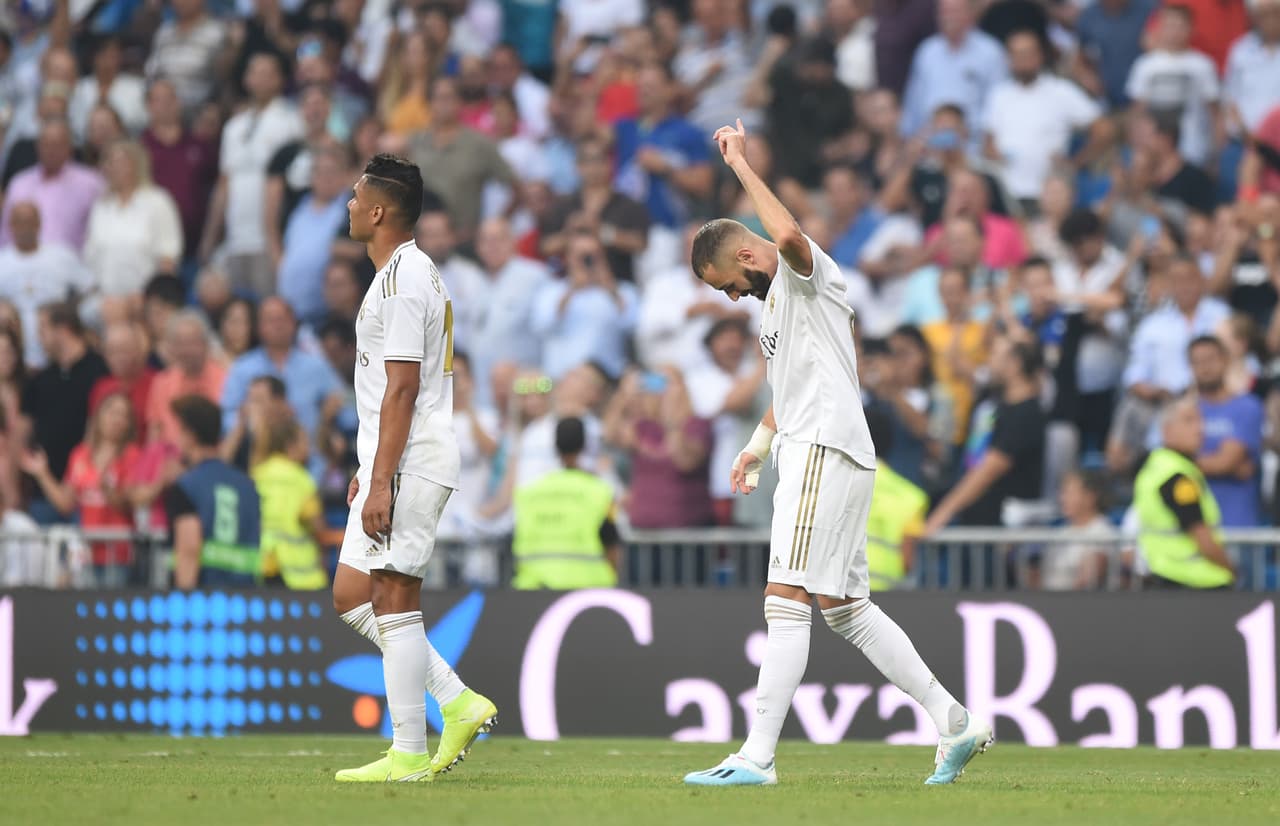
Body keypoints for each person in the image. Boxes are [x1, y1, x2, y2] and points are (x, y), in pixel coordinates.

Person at [683, 118, 987, 787]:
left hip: (823, 447)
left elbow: (786, 235)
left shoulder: (807, 273)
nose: (731, 297)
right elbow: (788, 389)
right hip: (819, 444)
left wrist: (738, 162)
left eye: (725, 284)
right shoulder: (773, 310)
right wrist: (756, 447)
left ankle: (756, 758)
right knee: (845, 609)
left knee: (784, 595)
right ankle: (955, 721)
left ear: (744, 259)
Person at [332, 154, 496, 783]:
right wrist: (369, 462)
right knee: (353, 594)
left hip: (412, 459)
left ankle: (406, 750)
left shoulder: (403, 280)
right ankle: (456, 700)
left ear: (377, 211)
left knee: (394, 596)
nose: (348, 206)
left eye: (355, 197)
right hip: (394, 456)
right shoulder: (404, 273)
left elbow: (402, 389)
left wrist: (381, 476)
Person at [924, 333, 1046, 529]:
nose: (988, 360)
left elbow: (990, 469)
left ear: (1015, 364)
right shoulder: (993, 399)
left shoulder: (1026, 414)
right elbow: (955, 363)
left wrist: (944, 512)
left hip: (999, 526)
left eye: (995, 354)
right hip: (974, 517)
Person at [20, 390, 140, 587]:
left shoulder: (132, 455)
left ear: (129, 424)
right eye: (111, 411)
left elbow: (130, 503)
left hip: (117, 552)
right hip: (85, 550)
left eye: (123, 415)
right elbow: (66, 504)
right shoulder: (80, 455)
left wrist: (108, 491)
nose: (116, 419)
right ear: (98, 415)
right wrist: (43, 474)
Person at [1133, 397, 1235, 589]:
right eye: (1189, 420)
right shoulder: (1176, 477)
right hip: (1191, 583)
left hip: (1164, 577)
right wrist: (1231, 569)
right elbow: (1201, 535)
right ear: (1167, 431)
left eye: (1200, 420)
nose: (1200, 428)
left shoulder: (1157, 466)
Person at [164, 395, 262, 590]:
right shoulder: (248, 485)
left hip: (205, 600)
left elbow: (189, 550)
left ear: (190, 435)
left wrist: (184, 601)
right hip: (247, 599)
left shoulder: (185, 486)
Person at [511, 415, 621, 587]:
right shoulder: (600, 491)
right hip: (586, 587)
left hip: (533, 588)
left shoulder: (529, 492)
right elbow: (612, 545)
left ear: (555, 446)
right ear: (584, 445)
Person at [83, 139, 184, 299]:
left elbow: (168, 257)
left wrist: (154, 299)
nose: (111, 167)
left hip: (145, 298)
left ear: (136, 165)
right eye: (108, 162)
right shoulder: (101, 206)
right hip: (105, 299)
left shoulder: (158, 202)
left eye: (118, 162)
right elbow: (91, 256)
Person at [0, 201, 90, 368]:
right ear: (10, 226)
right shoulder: (2, 261)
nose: (24, 228)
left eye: (29, 221)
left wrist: (69, 312)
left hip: (57, 338)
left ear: (39, 223)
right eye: (19, 222)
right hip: (14, 348)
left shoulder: (60, 255)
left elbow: (90, 289)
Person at [1188, 335, 1264, 527]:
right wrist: (1225, 463)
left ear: (1225, 360)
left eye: (1211, 359)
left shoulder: (1248, 406)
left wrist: (1186, 462)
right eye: (1198, 361)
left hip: (1237, 523)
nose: (1205, 367)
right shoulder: (1183, 410)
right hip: (1194, 525)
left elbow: (1227, 462)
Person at [252, 418, 329, 590]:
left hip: (263, 564)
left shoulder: (257, 474)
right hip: (297, 574)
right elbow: (317, 525)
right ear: (290, 445)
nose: (308, 449)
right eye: (304, 442)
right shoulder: (301, 479)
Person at [863, 405, 929, 591]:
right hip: (888, 590)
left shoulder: (831, 485)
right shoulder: (912, 496)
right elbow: (908, 560)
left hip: (839, 587)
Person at [147, 310, 226, 448]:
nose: (186, 350)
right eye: (180, 344)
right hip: (171, 460)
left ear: (206, 344)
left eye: (192, 343)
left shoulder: (225, 379)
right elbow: (154, 432)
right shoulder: (162, 382)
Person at [1041, 469, 1112, 591]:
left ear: (1090, 497)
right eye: (1062, 492)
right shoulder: (1060, 533)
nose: (1063, 499)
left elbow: (1089, 579)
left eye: (1069, 493)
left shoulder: (1103, 532)